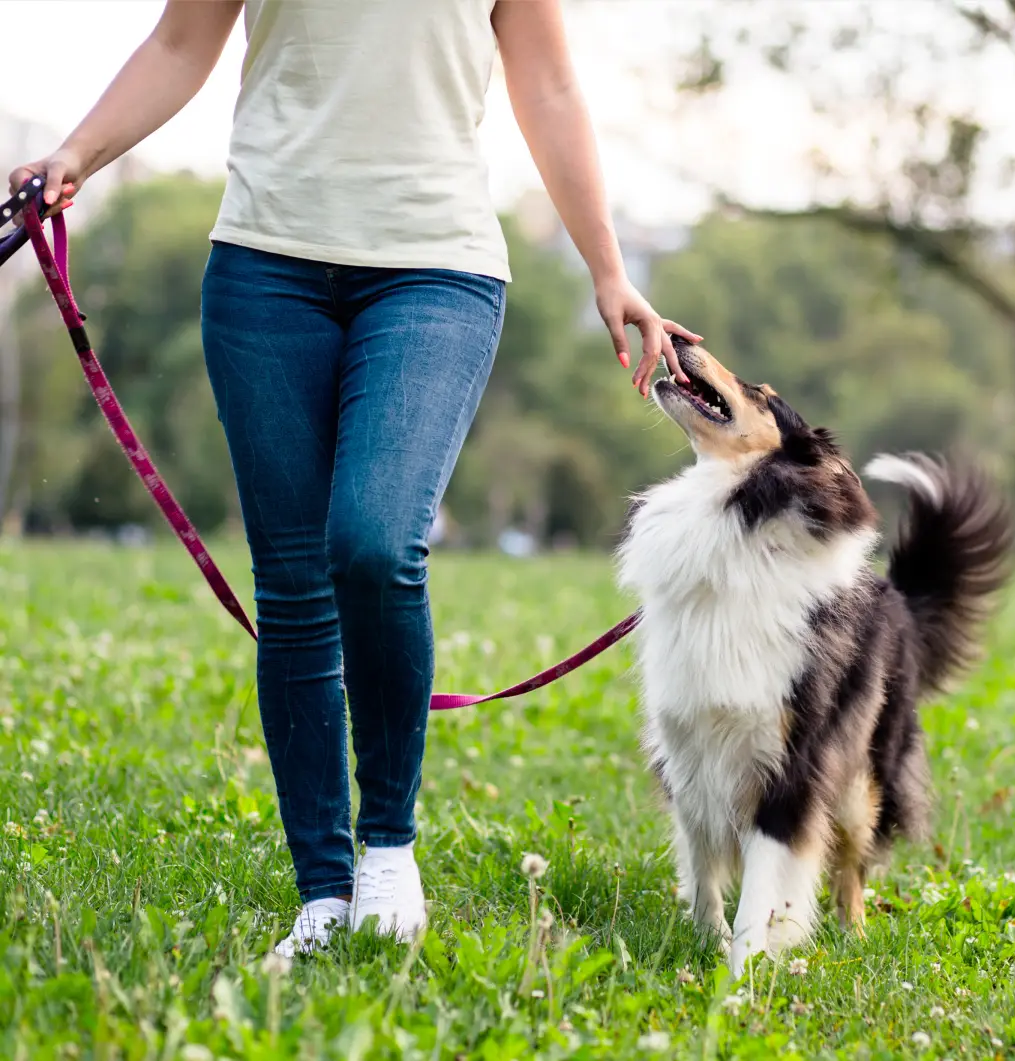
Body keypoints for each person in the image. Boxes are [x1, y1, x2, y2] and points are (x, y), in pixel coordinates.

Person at [9, 0, 700, 958]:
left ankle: (388, 849)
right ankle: (324, 895)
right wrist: (77, 152)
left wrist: (608, 267)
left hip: (436, 270)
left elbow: (549, 83)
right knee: (294, 590)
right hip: (263, 270)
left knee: (374, 542)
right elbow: (180, 42)